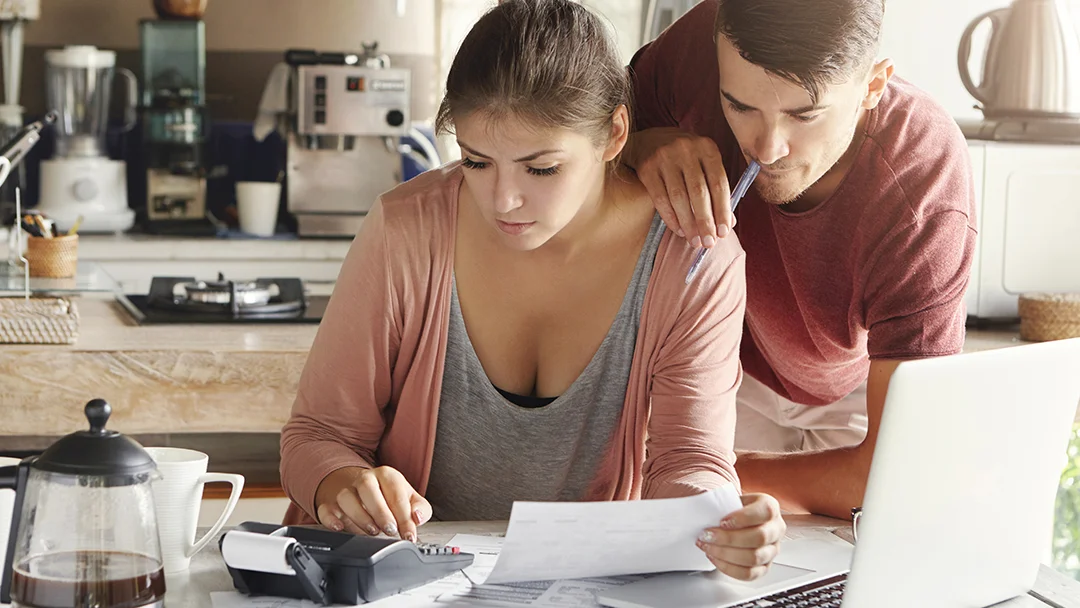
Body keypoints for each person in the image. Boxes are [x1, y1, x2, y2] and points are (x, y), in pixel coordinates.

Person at [279, 0, 786, 581]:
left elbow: (689, 459)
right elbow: (318, 437)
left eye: (540, 168)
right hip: (400, 582)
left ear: (614, 134)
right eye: (476, 162)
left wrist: (718, 522)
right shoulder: (406, 229)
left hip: (582, 586)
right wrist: (342, 484)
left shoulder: (692, 259)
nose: (503, 201)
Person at [624, 0, 977, 519]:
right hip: (722, 364)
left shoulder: (923, 189)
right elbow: (589, 131)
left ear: (873, 87)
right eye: (740, 106)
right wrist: (639, 144)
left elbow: (897, 472)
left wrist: (693, 473)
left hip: (861, 389)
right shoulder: (705, 43)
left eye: (803, 114)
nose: (766, 149)